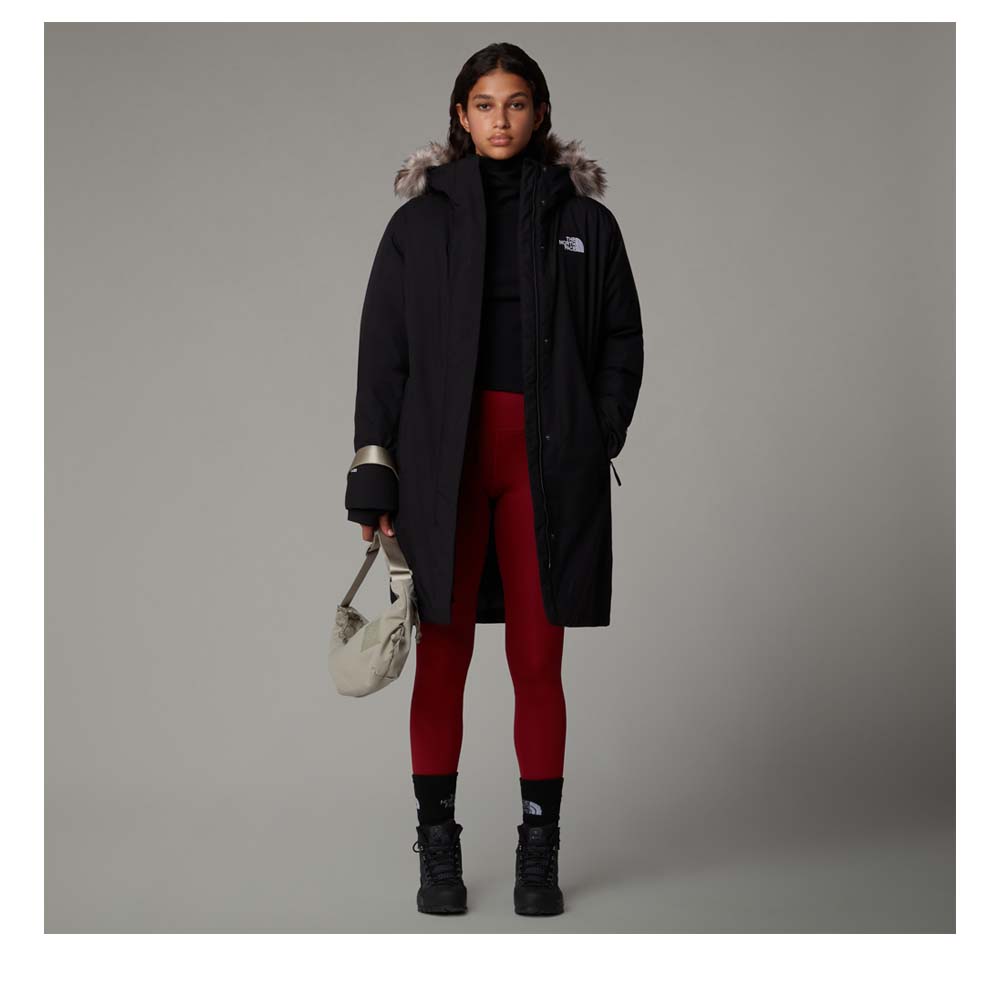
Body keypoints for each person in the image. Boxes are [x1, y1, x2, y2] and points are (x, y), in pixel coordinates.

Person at [344, 42, 644, 916]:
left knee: (538, 659)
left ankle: (538, 852)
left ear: (540, 113)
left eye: (516, 103)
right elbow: (383, 356)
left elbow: (622, 338)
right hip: (445, 468)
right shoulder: (418, 227)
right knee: (443, 655)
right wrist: (374, 475)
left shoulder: (586, 223)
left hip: (547, 467)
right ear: (461, 116)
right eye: (484, 104)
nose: (500, 119)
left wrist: (596, 433)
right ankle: (437, 849)